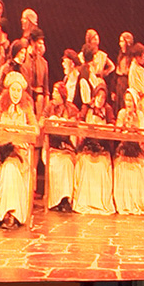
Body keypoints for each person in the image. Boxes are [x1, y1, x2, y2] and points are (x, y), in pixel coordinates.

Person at [0, 71, 36, 228]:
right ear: (8, 90)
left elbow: (35, 129)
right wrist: (4, 132)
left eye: (19, 90)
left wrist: (22, 132)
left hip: (18, 152)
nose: (16, 94)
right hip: (1, 149)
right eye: (13, 90)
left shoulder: (26, 106)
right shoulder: (1, 103)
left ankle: (11, 213)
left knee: (10, 169)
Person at [45, 50, 86, 212]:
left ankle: (65, 199)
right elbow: (43, 120)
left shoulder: (71, 106)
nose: (53, 95)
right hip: (54, 147)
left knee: (67, 163)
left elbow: (77, 118)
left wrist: (67, 122)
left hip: (66, 146)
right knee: (56, 164)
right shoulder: (50, 107)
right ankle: (55, 200)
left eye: (55, 93)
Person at [74, 91, 116, 216]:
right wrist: (88, 126)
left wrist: (105, 127)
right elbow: (80, 120)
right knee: (86, 163)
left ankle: (99, 201)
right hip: (88, 145)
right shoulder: (87, 107)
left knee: (102, 165)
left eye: (103, 97)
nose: (100, 99)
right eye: (98, 96)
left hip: (102, 146)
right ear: (94, 96)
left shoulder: (107, 109)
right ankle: (86, 200)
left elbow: (113, 124)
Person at [112, 89, 144, 216]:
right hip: (124, 148)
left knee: (140, 170)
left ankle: (136, 202)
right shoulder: (122, 113)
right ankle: (124, 203)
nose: (128, 103)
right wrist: (126, 126)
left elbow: (143, 132)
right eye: (126, 100)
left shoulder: (139, 114)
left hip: (136, 149)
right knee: (122, 168)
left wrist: (135, 129)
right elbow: (118, 131)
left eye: (130, 100)